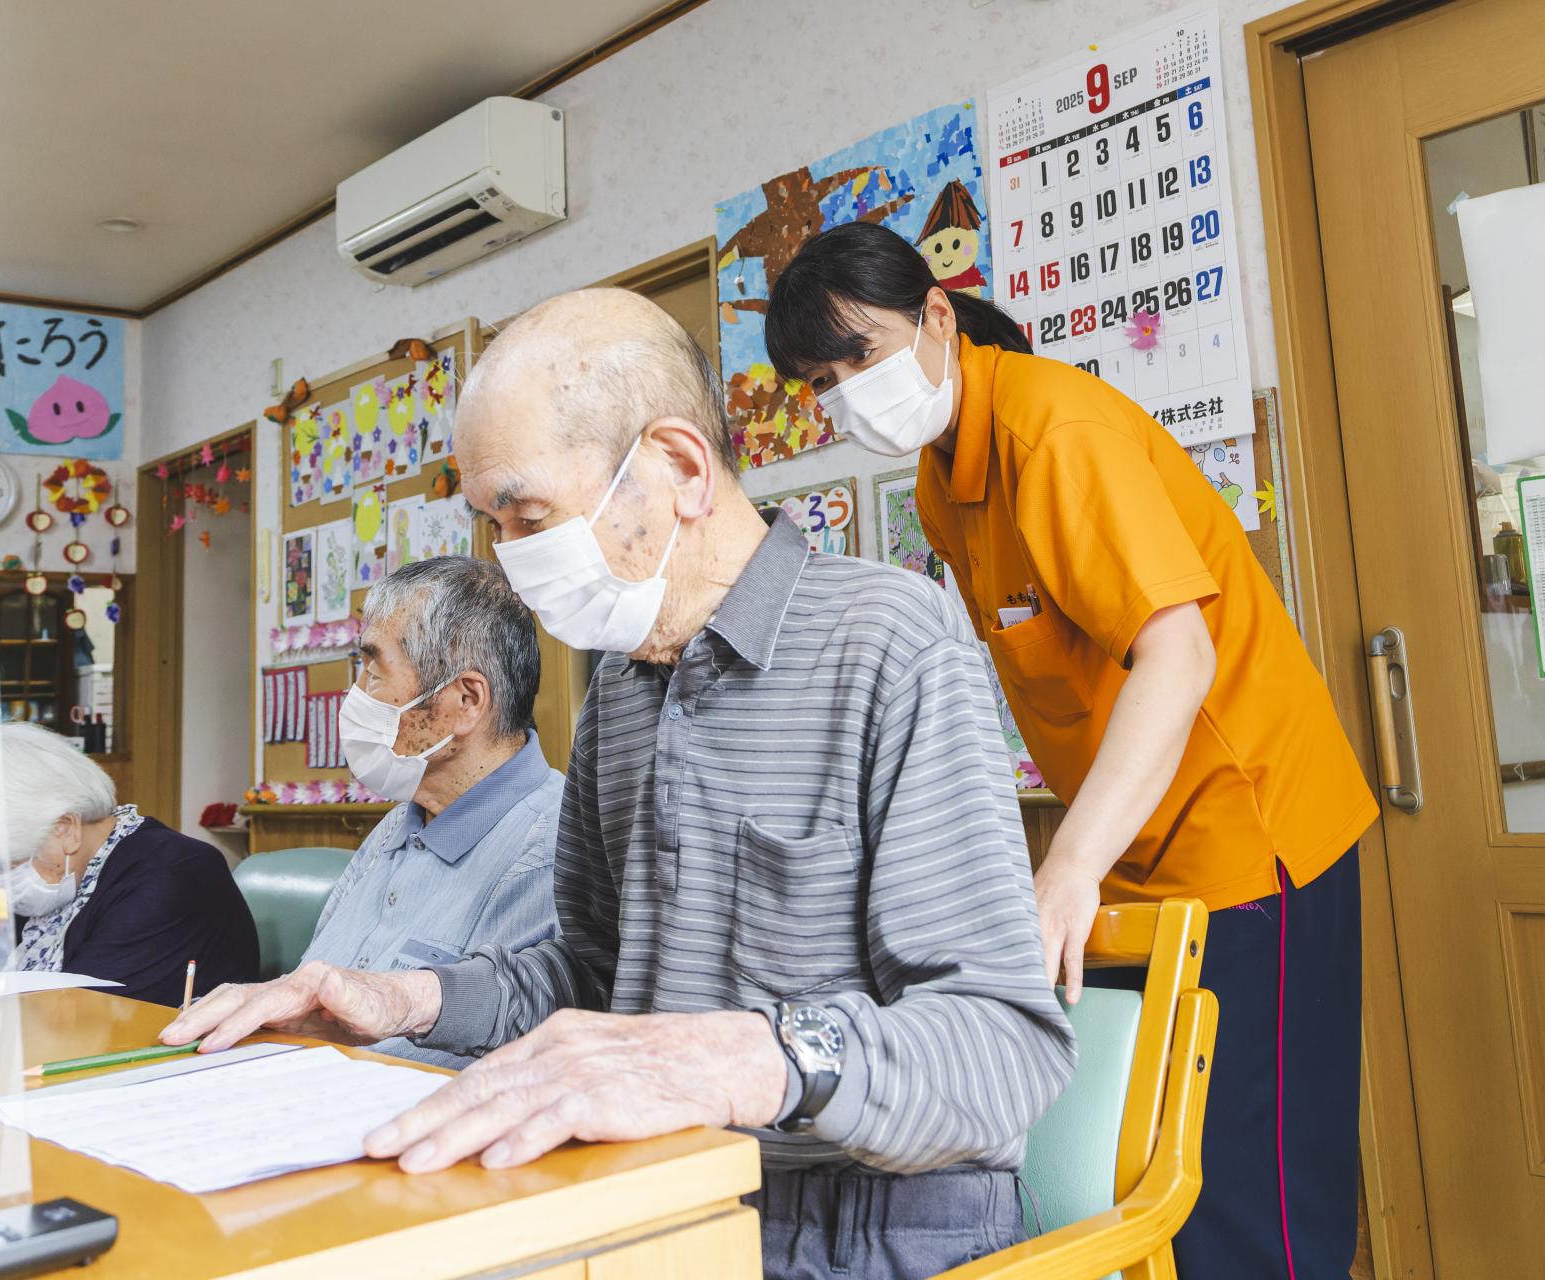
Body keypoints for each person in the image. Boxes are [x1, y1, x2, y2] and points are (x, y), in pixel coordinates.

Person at [165, 288, 1075, 1280]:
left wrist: (735, 1059)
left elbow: (1002, 1046)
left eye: (528, 514)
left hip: (872, 1231)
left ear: (680, 467)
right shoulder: (625, 689)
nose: (510, 561)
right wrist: (407, 996)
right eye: (492, 522)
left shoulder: (891, 642)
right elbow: (595, 978)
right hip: (660, 1201)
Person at [762, 219, 1379, 1279]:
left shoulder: (1056, 433)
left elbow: (1175, 658)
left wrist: (1069, 865)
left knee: (1256, 1180)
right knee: (1159, 1167)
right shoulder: (940, 478)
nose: (844, 393)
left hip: (1247, 831)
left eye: (858, 354)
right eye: (821, 380)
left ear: (937, 317)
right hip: (1135, 842)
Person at [303, 556, 562, 1068]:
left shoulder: (551, 845)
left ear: (466, 701)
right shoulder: (401, 822)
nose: (356, 698)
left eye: (375, 674)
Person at [0, 722, 258, 1005]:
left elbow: (80, 1013)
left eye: (2, 866)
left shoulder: (171, 873)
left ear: (65, 829)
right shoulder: (62, 879)